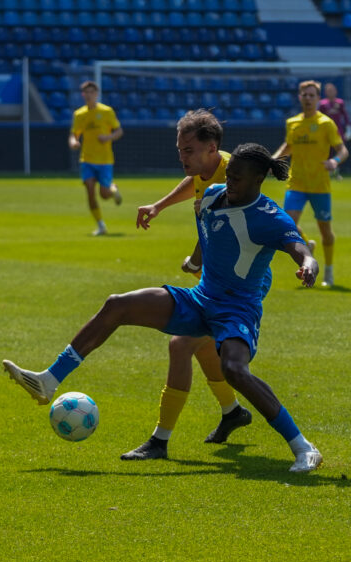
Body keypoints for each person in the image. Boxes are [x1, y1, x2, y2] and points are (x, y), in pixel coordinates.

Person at [2, 143, 324, 473]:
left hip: (237, 310)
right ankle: (48, 380)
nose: (230, 183)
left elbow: (299, 248)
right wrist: (195, 260)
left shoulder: (269, 216)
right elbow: (211, 231)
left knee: (235, 370)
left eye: (238, 179)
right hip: (200, 300)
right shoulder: (213, 196)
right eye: (228, 176)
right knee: (117, 305)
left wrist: (308, 266)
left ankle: (303, 447)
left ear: (259, 179)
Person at [125, 109, 254, 461]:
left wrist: (196, 259)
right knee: (200, 348)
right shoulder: (207, 169)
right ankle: (232, 412)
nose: (181, 157)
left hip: (233, 286)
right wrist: (160, 205)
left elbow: (219, 229)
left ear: (212, 149)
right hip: (215, 281)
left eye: (188, 150)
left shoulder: (232, 177)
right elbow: (195, 184)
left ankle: (159, 441)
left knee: (181, 345)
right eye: (179, 149)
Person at [274, 80, 349, 288]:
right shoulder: (293, 123)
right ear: (299, 97)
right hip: (296, 182)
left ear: (318, 99)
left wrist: (334, 161)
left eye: (311, 95)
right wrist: (272, 160)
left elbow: (343, 150)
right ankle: (307, 245)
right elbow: (289, 146)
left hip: (319, 185)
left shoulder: (326, 123)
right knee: (287, 223)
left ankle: (329, 272)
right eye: (304, 95)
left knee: (326, 231)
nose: (307, 98)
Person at [70, 81, 123, 236]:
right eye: (86, 92)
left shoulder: (106, 111)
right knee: (90, 191)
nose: (89, 95)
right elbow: (74, 134)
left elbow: (119, 131)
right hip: (87, 159)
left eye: (92, 92)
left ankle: (113, 189)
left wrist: (108, 137)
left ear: (96, 94)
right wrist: (73, 141)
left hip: (105, 160)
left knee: (104, 194)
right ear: (83, 95)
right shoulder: (79, 114)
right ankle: (101, 225)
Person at [319, 82, 351, 180]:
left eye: (332, 90)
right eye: (329, 91)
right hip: (325, 133)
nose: (331, 92)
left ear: (336, 91)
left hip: (338, 132)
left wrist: (349, 128)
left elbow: (345, 116)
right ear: (325, 92)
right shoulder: (322, 104)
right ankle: (327, 171)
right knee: (326, 152)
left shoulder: (340, 102)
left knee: (340, 151)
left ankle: (336, 171)